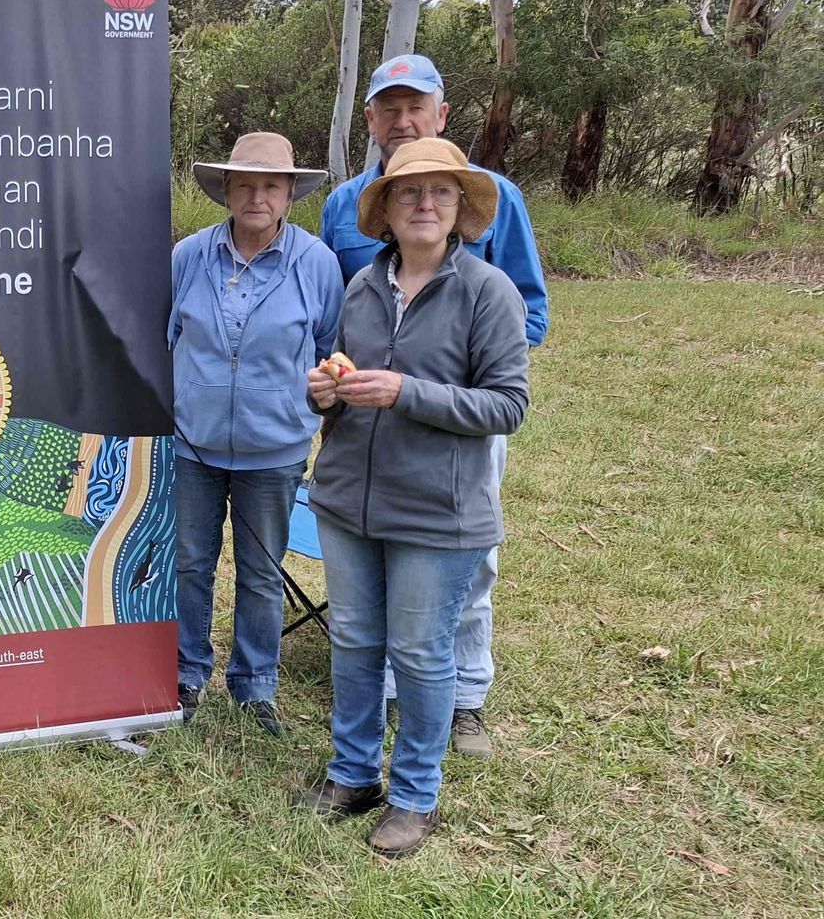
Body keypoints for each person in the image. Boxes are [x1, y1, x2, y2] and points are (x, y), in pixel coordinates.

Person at [297, 137, 530, 858]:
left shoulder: (488, 292)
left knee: (423, 654)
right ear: (386, 210)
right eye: (408, 192)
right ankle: (353, 773)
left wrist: (407, 393)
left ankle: (416, 795)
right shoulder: (362, 288)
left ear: (462, 210)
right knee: (357, 642)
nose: (425, 204)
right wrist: (325, 395)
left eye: (441, 192)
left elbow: (507, 405)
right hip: (346, 501)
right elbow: (343, 397)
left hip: (439, 511)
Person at [318, 53, 548, 758]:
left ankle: (465, 699)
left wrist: (442, 358)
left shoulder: (494, 197)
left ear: (442, 113)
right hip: (361, 438)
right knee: (381, 594)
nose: (403, 118)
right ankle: (392, 697)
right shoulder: (343, 207)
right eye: (389, 108)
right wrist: (333, 380)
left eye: (416, 105)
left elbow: (524, 316)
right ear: (370, 121)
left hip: (459, 419)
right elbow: (340, 316)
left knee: (462, 571)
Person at [168, 133, 341, 736]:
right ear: (226, 191)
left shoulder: (316, 262)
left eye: (270, 184)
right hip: (192, 444)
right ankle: (186, 674)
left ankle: (254, 685)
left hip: (277, 449)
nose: (257, 195)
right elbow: (164, 339)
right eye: (245, 183)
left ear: (290, 192)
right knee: (190, 564)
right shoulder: (188, 255)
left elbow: (329, 353)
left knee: (262, 570)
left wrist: (309, 404)